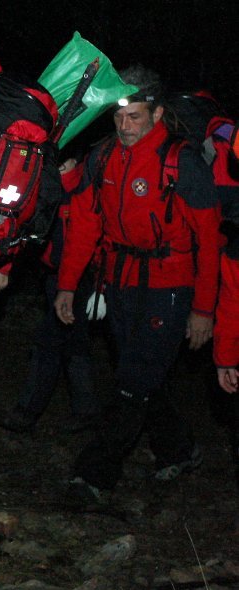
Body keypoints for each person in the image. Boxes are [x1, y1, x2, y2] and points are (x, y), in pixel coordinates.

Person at [55, 65, 220, 503]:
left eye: (135, 117)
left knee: (132, 379)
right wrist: (68, 285)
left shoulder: (180, 162)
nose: (124, 126)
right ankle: (179, 449)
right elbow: (87, 225)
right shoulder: (105, 156)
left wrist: (203, 311)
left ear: (158, 113)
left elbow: (209, 241)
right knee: (144, 375)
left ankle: (93, 477)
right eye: (118, 117)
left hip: (171, 287)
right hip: (120, 282)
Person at [0, 158, 101, 433]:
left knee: (50, 340)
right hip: (55, 274)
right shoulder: (51, 184)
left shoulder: (81, 186)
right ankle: (86, 407)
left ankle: (28, 411)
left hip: (78, 277)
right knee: (72, 339)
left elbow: (83, 234)